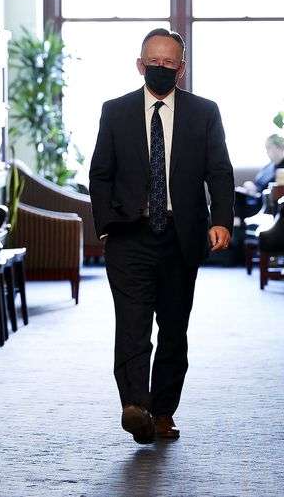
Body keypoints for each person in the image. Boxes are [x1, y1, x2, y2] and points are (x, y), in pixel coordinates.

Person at [89, 29, 234, 444]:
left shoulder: (204, 113)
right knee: (132, 325)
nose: (161, 68)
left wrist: (221, 218)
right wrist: (106, 224)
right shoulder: (114, 112)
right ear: (139, 64)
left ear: (181, 70)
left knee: (173, 329)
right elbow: (100, 174)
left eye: (169, 63)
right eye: (154, 61)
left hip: (181, 236)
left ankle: (162, 410)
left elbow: (219, 172)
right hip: (129, 235)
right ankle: (135, 407)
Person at [234, 134, 284, 220]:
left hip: (261, 204)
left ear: (279, 148)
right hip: (252, 198)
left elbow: (273, 193)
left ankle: (237, 229)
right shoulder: (268, 166)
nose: (267, 151)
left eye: (269, 147)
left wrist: (255, 191)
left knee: (235, 201)